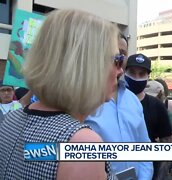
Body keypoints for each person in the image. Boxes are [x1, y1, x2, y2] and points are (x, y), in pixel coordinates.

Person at [0, 9, 121, 179]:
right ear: (88, 66)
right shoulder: (81, 143)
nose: (120, 70)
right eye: (117, 60)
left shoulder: (11, 119)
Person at [85, 34, 153, 179]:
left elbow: (145, 147)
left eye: (123, 53)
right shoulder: (83, 99)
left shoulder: (132, 100)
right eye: (114, 53)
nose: (119, 59)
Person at [125, 53, 172, 179]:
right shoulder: (113, 102)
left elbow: (166, 143)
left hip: (148, 170)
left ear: (148, 76)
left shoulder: (157, 105)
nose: (136, 78)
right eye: (132, 72)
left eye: (141, 74)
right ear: (125, 72)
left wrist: (161, 175)